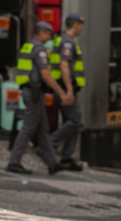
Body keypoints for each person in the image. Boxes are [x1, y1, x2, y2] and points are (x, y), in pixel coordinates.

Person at [7, 22, 71, 175]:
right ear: (41, 33)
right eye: (49, 34)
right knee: (28, 128)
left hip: (29, 90)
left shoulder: (27, 46)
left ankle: (52, 163)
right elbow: (46, 75)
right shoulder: (39, 49)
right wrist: (61, 92)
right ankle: (14, 162)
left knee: (42, 129)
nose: (50, 38)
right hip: (34, 91)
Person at [48, 14, 86, 171]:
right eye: (81, 24)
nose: (81, 28)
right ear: (76, 25)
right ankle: (48, 145)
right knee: (75, 121)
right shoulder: (67, 42)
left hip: (65, 87)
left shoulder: (62, 40)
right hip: (66, 88)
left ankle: (67, 157)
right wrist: (69, 90)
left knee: (72, 121)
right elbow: (64, 65)